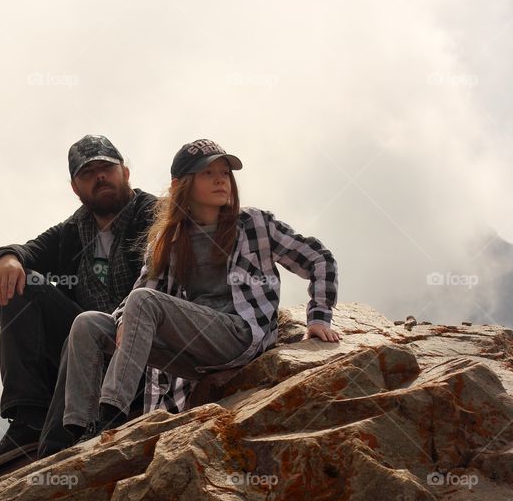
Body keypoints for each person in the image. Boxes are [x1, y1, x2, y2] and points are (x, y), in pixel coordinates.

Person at [55, 139, 340, 445]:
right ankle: (80, 430)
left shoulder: (255, 223)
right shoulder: (171, 239)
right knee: (88, 323)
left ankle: (111, 414)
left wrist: (319, 317)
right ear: (183, 185)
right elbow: (142, 290)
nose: (221, 179)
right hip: (192, 356)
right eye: (208, 173)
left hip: (240, 336)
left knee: (143, 303)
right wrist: (124, 319)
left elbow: (319, 259)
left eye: (224, 172)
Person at [0, 135, 157, 469]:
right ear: (75, 187)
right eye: (88, 174)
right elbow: (27, 251)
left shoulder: (155, 215)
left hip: (143, 344)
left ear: (126, 173)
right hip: (84, 347)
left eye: (107, 168)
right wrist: (6, 258)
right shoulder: (74, 230)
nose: (100, 177)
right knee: (23, 284)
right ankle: (30, 419)